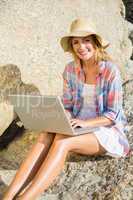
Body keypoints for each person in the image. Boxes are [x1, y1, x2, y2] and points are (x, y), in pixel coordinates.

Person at [3, 18, 130, 200]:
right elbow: (68, 105)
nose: (81, 46)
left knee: (63, 142)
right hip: (78, 125)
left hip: (105, 130)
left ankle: (25, 198)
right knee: (46, 134)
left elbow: (112, 114)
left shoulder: (110, 71)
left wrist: (84, 122)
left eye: (86, 40)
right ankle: (8, 195)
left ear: (95, 42)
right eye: (76, 42)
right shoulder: (70, 70)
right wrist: (59, 119)